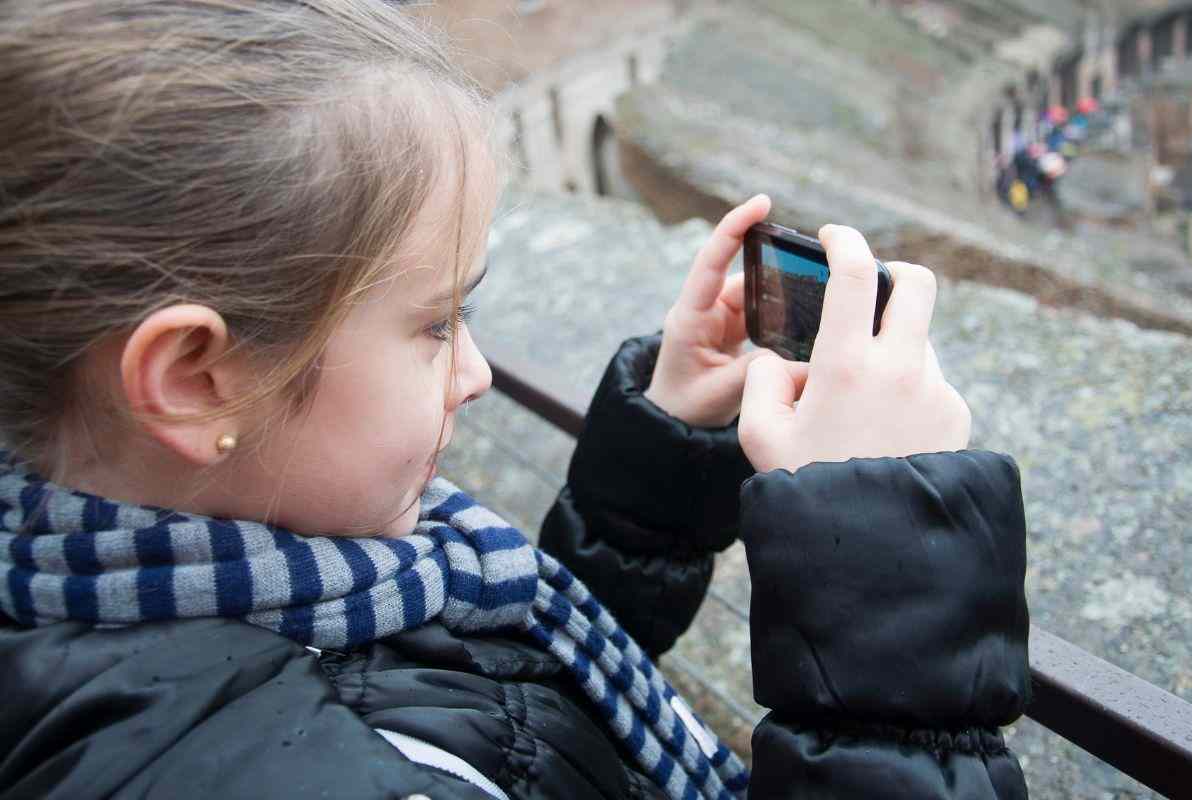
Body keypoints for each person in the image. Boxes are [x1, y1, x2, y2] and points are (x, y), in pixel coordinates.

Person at [0, 2, 1031, 798]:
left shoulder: (220, 565)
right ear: (193, 377)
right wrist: (892, 588)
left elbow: (493, 705)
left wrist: (662, 460)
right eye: (437, 321)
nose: (477, 371)